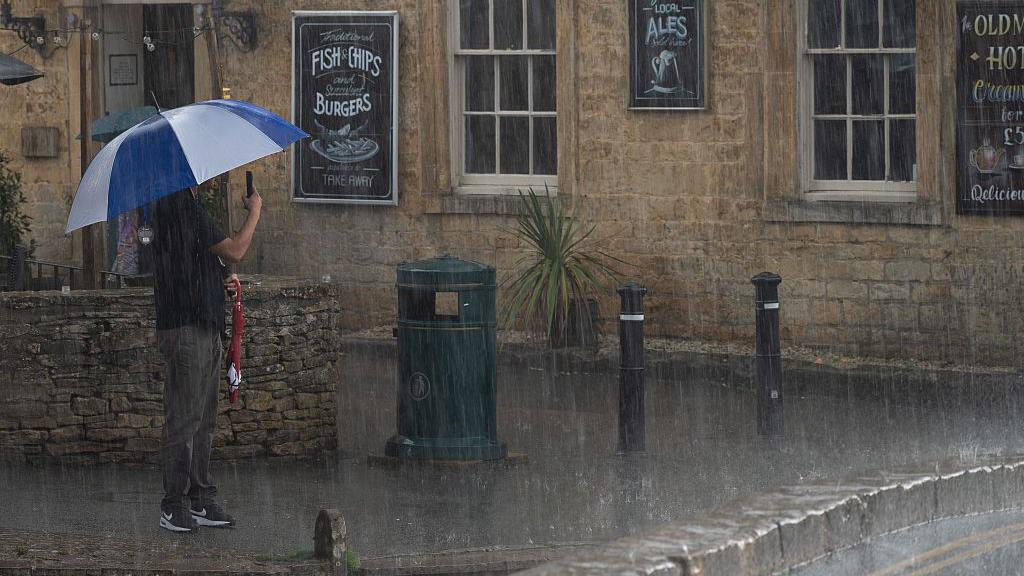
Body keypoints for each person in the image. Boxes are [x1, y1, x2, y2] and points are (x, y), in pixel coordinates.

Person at [151, 184, 262, 533]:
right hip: (187, 327)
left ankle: (199, 497)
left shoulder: (182, 206)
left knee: (203, 421)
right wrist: (254, 209)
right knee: (184, 420)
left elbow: (193, 261)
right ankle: (174, 505)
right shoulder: (178, 203)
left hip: (203, 323)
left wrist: (220, 281)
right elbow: (236, 249)